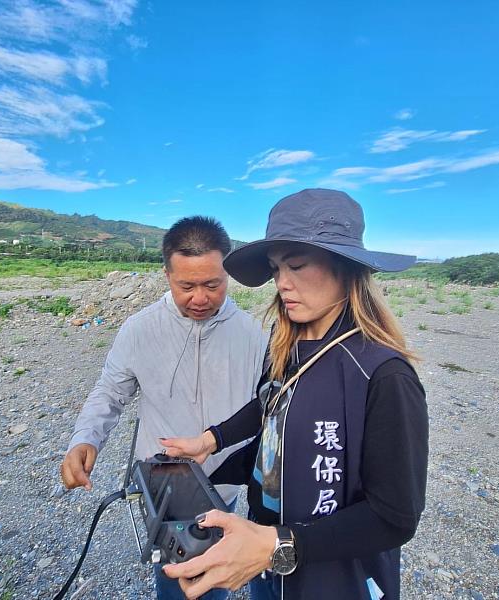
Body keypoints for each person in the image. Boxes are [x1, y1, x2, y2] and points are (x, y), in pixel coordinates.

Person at [160, 189, 429, 600]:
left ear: (346, 266)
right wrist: (210, 443)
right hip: (268, 565)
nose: (282, 283)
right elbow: (270, 410)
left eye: (297, 265)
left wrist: (279, 545)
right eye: (275, 268)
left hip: (333, 581)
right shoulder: (286, 342)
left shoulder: (383, 375)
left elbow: (395, 518)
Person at [60, 216, 267, 600]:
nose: (200, 298)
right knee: (176, 579)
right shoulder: (140, 329)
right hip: (164, 478)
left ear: (229, 276)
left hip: (224, 479)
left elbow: (267, 403)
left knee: (212, 579)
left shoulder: (253, 333)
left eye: (213, 284)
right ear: (167, 275)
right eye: (186, 285)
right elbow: (110, 391)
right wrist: (85, 438)